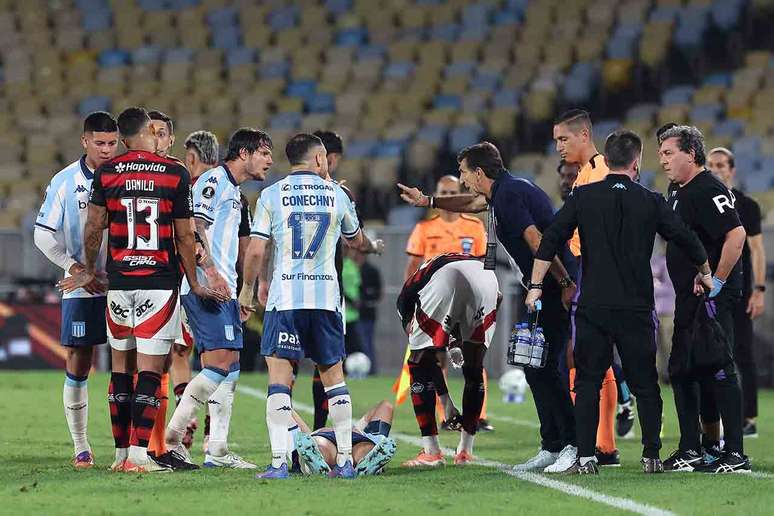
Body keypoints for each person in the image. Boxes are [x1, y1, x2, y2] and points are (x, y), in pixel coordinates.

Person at [526, 129, 711, 475]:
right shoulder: (651, 200)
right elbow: (686, 237)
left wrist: (536, 285)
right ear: (637, 162)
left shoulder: (583, 196)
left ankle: (585, 457)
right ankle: (651, 455)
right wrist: (705, 271)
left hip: (592, 306)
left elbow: (549, 240)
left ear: (606, 160)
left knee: (587, 382)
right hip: (637, 308)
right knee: (645, 384)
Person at [59, 107, 226, 473]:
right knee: (150, 371)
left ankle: (119, 455)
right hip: (158, 283)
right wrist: (194, 281)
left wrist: (89, 270)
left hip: (119, 283)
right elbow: (184, 234)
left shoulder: (107, 172)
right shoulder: (174, 173)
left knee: (121, 370)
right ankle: (138, 455)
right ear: (150, 130)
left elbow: (93, 228)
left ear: (122, 136)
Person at [397, 142, 579, 474]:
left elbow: (538, 240)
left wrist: (564, 283)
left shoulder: (508, 195)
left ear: (479, 172)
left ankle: (571, 445)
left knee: (547, 366)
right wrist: (430, 201)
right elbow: (471, 201)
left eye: (465, 172)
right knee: (534, 365)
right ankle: (552, 445)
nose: (463, 180)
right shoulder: (504, 192)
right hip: (541, 286)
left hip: (551, 286)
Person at [239, 133, 365, 479]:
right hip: (325, 300)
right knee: (334, 380)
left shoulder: (270, 195)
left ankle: (280, 462)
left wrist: (249, 289)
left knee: (280, 381)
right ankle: (344, 462)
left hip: (286, 300)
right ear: (321, 159)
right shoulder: (337, 194)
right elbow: (356, 240)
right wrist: (370, 243)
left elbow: (255, 250)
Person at [164, 128, 273, 469]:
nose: (270, 160)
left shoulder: (236, 194)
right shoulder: (213, 181)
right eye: (264, 153)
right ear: (244, 153)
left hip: (223, 289)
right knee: (218, 364)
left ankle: (218, 450)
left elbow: (242, 248)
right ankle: (172, 437)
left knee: (231, 369)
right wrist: (210, 271)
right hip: (205, 286)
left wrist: (245, 291)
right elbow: (193, 226)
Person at [658, 125, 750, 473]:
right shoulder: (680, 191)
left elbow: (736, 234)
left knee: (719, 368)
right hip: (688, 297)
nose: (663, 160)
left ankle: (736, 452)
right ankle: (691, 448)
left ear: (691, 154)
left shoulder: (708, 186)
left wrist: (718, 282)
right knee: (682, 369)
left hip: (711, 299)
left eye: (669, 153)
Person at [34, 111, 118, 468]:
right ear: (85, 141)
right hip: (82, 287)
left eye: (113, 143)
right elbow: (42, 233)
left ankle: (132, 446)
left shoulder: (129, 177)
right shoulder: (66, 181)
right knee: (79, 360)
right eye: (99, 143)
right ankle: (81, 445)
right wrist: (77, 268)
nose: (106, 150)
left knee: (129, 361)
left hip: (125, 283)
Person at [553, 109, 620, 466]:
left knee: (589, 358)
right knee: (594, 360)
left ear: (584, 135)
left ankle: (602, 444)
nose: (559, 147)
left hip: (596, 271)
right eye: (556, 141)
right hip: (585, 268)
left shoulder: (600, 172)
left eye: (563, 139)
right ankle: (602, 444)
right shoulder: (585, 174)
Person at [404, 175, 493, 431]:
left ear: (459, 193)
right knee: (435, 358)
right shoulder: (424, 228)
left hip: (467, 302)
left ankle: (479, 415)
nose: (447, 196)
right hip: (434, 303)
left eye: (452, 191)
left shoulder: (474, 226)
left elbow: (484, 265)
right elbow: (412, 268)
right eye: (443, 191)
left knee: (475, 356)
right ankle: (447, 416)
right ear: (437, 193)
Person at [397, 253, 500, 466]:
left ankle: (432, 452)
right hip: (489, 282)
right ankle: (465, 452)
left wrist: (445, 402)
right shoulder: (439, 268)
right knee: (474, 367)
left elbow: (425, 357)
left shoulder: (408, 299)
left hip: (446, 282)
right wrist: (446, 401)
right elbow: (498, 297)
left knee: (417, 362)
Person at [707, 147, 765, 439]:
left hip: (740, 289)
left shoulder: (747, 205)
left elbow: (756, 250)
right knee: (714, 351)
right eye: (711, 164)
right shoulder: (702, 199)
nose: (715, 169)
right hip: (712, 287)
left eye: (721, 164)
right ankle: (714, 416)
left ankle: (749, 417)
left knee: (743, 352)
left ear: (732, 169)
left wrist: (760, 289)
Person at [172, 130, 221, 451]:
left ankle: (185, 420)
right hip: (223, 284)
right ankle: (210, 432)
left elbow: (188, 234)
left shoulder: (188, 189)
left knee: (181, 351)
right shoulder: (233, 190)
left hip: (190, 280)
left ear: (191, 157)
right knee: (217, 358)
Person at [294, 400, 397, 476]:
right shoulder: (362, 432)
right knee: (366, 451)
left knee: (320, 447)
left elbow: (304, 434)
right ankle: (365, 463)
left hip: (325, 437)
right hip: (357, 438)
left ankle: (317, 465)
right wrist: (359, 426)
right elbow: (386, 406)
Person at [358, 248, 382, 372]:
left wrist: (365, 300)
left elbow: (378, 293)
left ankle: (371, 369)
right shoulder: (352, 269)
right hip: (354, 314)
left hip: (367, 314)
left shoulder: (372, 271)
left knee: (367, 342)